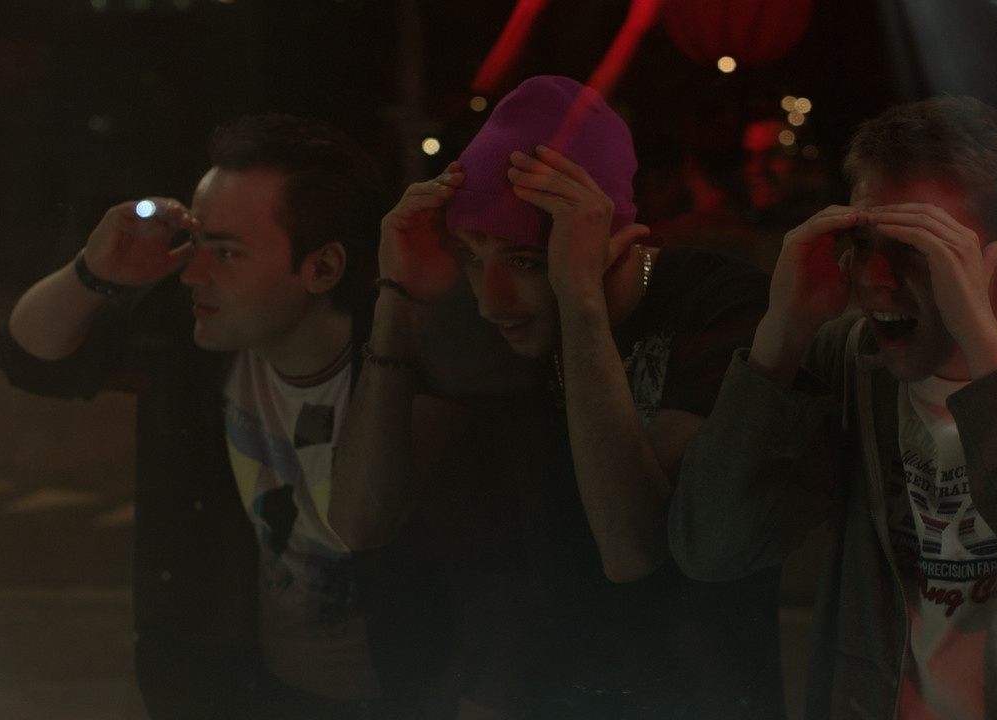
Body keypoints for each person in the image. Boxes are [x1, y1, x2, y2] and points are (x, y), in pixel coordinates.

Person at [670, 96, 997, 718]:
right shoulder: (854, 363)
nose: (874, 279)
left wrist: (989, 360)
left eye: (916, 248)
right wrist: (781, 335)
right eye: (862, 242)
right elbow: (712, 548)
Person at [330, 75, 784, 719]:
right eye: (471, 256)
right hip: (524, 690)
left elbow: (633, 548)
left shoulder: (719, 305)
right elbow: (359, 521)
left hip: (689, 696)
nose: (491, 301)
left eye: (524, 262)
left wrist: (580, 303)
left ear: (607, 239)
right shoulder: (482, 319)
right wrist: (397, 302)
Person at [0, 114, 436, 719]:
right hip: (249, 692)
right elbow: (28, 359)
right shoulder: (201, 335)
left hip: (401, 698)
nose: (193, 272)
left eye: (226, 252)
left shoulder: (401, 356)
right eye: (197, 244)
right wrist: (95, 273)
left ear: (323, 268)